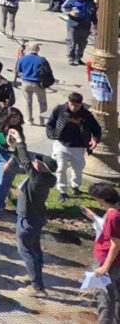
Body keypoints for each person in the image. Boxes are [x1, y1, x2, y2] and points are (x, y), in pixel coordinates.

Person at [47, 92, 102, 200]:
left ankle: (75, 186)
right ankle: (62, 192)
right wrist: (51, 134)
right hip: (61, 143)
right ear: (68, 102)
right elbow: (50, 124)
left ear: (81, 104)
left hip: (77, 146)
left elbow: (96, 128)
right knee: (61, 168)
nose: (73, 107)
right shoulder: (59, 109)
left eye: (76, 105)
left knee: (78, 168)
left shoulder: (86, 114)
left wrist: (95, 139)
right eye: (71, 104)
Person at [15, 155, 55, 296]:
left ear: (42, 166)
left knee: (26, 251)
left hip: (28, 220)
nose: (34, 162)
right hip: (35, 219)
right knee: (35, 250)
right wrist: (14, 147)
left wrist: (19, 141)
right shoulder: (44, 178)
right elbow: (22, 158)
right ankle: (32, 274)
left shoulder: (37, 179)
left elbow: (24, 159)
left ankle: (37, 287)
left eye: (37, 161)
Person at [91, 183, 120, 323]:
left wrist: (105, 266)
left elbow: (116, 243)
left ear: (101, 198)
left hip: (107, 261)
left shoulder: (112, 216)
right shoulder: (115, 211)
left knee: (104, 297)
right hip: (116, 262)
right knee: (116, 295)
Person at [16, 42, 53, 120]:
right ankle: (42, 120)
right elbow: (48, 72)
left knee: (28, 102)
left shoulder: (22, 58)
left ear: (28, 49)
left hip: (26, 83)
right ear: (38, 50)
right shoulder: (42, 60)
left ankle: (29, 119)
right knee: (42, 103)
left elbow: (18, 70)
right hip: (38, 84)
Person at [62, 0, 98, 66]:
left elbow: (93, 14)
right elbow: (63, 7)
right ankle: (71, 58)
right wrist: (70, 12)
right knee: (72, 41)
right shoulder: (72, 0)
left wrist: (95, 26)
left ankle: (78, 58)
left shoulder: (90, 2)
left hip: (85, 25)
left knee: (82, 43)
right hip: (73, 24)